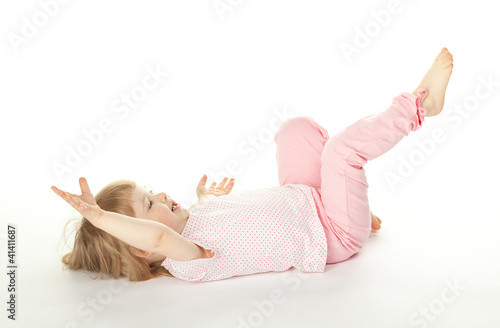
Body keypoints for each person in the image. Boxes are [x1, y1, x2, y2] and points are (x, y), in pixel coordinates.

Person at [52, 47, 454, 282]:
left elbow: (217, 217)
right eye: (147, 205)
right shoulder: (185, 259)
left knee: (294, 130)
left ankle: (351, 198)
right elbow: (159, 237)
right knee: (340, 153)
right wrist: (102, 220)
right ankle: (420, 107)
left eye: (149, 190)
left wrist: (205, 198)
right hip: (332, 234)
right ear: (143, 248)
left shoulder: (192, 223)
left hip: (309, 200)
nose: (158, 194)